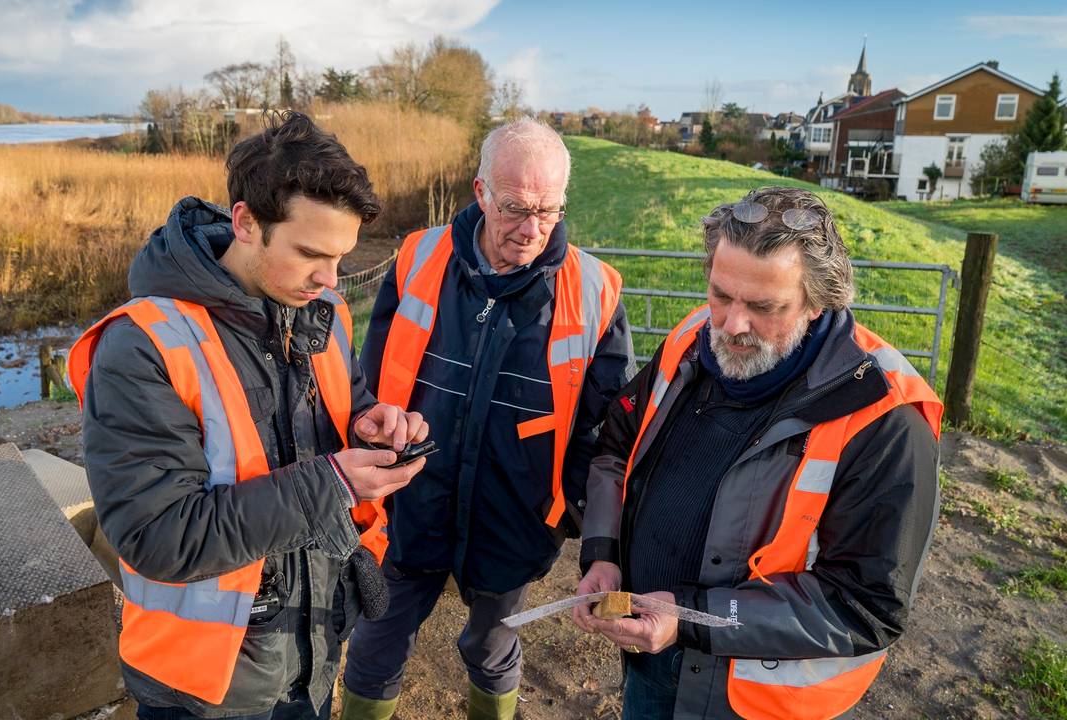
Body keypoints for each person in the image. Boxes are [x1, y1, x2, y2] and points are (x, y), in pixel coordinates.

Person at [67, 112, 429, 720]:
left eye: (341, 256)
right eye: (310, 253)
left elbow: (342, 409)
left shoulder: (326, 311)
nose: (329, 278)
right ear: (246, 222)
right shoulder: (145, 345)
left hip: (310, 647)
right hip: (206, 684)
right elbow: (158, 536)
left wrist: (371, 424)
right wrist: (334, 483)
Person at [572, 186, 943, 720]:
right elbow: (616, 446)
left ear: (820, 302)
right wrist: (603, 552)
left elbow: (866, 606)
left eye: (764, 307)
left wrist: (693, 618)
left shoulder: (885, 417)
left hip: (755, 697)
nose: (731, 325)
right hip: (651, 655)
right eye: (720, 295)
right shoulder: (690, 342)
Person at [340, 118, 635, 720]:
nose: (531, 230)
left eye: (549, 211)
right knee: (374, 644)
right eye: (516, 208)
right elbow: (368, 382)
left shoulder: (596, 289)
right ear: (480, 193)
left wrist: (563, 512)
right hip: (409, 505)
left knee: (491, 645)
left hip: (514, 520)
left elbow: (604, 427)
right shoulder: (418, 257)